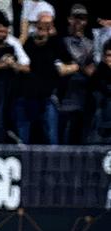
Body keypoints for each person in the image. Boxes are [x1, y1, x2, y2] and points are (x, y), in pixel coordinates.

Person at [15, 12, 77, 144]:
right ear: (36, 25)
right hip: (25, 95)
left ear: (52, 27)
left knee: (51, 136)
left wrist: (65, 69)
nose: (43, 30)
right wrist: (24, 35)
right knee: (23, 138)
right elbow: (14, 55)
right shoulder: (27, 43)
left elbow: (74, 65)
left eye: (47, 26)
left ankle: (53, 163)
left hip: (48, 96)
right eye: (41, 26)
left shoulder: (56, 43)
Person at [60, 3, 96, 144]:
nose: (78, 22)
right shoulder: (62, 41)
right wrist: (82, 64)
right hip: (64, 96)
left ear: (86, 21)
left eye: (82, 18)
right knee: (63, 136)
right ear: (69, 19)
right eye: (75, 18)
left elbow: (91, 70)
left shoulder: (90, 43)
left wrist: (76, 65)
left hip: (83, 95)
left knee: (80, 135)